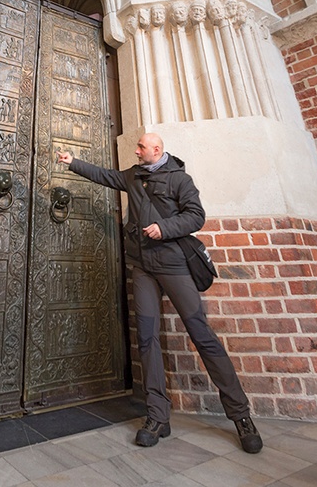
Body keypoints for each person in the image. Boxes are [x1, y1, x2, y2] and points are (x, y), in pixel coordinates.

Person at [57, 133, 263, 453]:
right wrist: (73, 163)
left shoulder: (180, 179)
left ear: (157, 150)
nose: (136, 151)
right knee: (147, 337)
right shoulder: (133, 175)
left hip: (174, 266)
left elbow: (196, 215)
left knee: (202, 334)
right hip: (143, 268)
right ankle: (157, 416)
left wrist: (164, 229)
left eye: (141, 147)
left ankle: (241, 415)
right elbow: (105, 176)